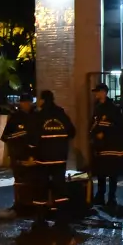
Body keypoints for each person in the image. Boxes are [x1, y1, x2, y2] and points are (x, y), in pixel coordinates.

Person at [29, 89, 76, 217]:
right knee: (59, 186)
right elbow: (72, 132)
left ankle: (41, 215)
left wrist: (31, 153)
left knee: (41, 186)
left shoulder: (39, 116)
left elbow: (34, 137)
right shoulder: (61, 114)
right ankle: (61, 214)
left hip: (43, 159)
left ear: (43, 100)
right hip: (60, 158)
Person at [89, 83, 123, 208]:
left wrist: (103, 133)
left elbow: (119, 126)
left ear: (104, 92)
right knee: (101, 173)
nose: (96, 94)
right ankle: (100, 196)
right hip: (102, 147)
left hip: (112, 147)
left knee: (112, 174)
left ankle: (111, 198)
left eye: (98, 92)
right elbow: (94, 125)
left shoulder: (112, 108)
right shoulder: (97, 107)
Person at [3, 93, 36, 212]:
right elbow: (6, 137)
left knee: (32, 180)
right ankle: (19, 204)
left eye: (29, 102)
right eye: (24, 102)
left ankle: (32, 204)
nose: (26, 104)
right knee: (19, 180)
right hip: (18, 155)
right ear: (20, 103)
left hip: (33, 155)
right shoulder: (15, 118)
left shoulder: (36, 116)